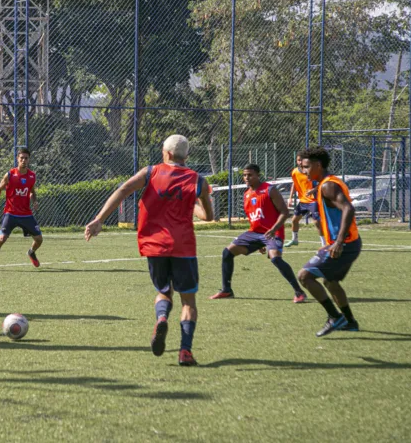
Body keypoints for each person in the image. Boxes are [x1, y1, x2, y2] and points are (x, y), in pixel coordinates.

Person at [85, 135, 213, 367]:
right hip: (183, 247)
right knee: (188, 302)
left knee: (164, 292)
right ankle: (185, 351)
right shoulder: (198, 181)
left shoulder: (150, 172)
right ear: (186, 156)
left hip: (154, 246)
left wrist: (99, 220)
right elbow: (209, 216)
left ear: (167, 154)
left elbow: (123, 189)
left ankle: (162, 317)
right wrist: (192, 203)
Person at [209, 164, 307, 303]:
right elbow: (253, 219)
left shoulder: (269, 190)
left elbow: (285, 212)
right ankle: (226, 290)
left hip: (274, 232)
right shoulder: (247, 194)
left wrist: (273, 229)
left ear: (258, 175)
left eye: (250, 175)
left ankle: (299, 292)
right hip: (255, 233)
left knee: (275, 258)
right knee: (227, 252)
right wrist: (258, 243)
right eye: (244, 175)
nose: (246, 178)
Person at [297, 147, 362, 336]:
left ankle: (335, 316)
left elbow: (348, 209)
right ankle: (350, 322)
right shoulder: (326, 183)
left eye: (307, 167)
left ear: (318, 165)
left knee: (304, 276)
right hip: (350, 243)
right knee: (331, 282)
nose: (304, 171)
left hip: (345, 244)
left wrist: (339, 242)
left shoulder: (328, 185)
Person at [0, 148, 42, 272]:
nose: (24, 160)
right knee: (2, 238)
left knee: (39, 239)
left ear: (29, 160)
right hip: (11, 213)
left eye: (26, 158)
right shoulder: (10, 174)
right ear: (17, 159)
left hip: (26, 214)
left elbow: (32, 192)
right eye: (21, 158)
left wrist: (34, 201)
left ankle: (31, 252)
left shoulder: (32, 176)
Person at [284, 154, 325, 248]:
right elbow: (294, 184)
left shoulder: (311, 171)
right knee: (294, 220)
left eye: (301, 160)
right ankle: (295, 240)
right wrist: (290, 197)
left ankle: (324, 244)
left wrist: (313, 190)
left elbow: (322, 183)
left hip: (313, 201)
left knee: (316, 222)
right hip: (303, 201)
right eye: (298, 160)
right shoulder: (294, 171)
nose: (299, 162)